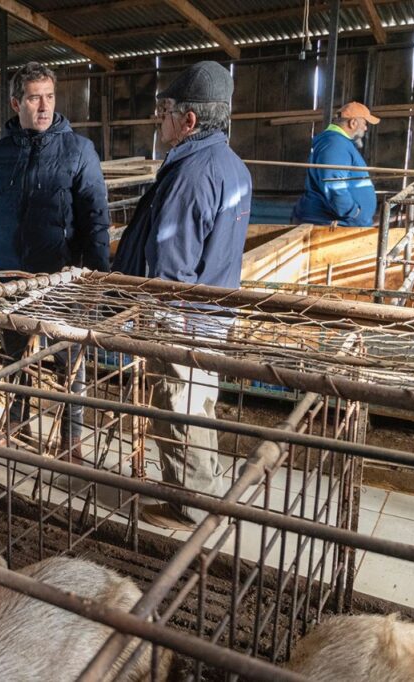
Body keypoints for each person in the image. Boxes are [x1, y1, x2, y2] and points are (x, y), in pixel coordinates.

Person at [111, 60, 252, 530]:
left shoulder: (191, 174)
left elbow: (171, 264)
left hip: (181, 316)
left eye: (166, 111)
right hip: (214, 309)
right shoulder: (233, 166)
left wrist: (152, 315)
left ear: (188, 120)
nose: (160, 119)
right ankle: (205, 492)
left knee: (177, 405)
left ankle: (188, 507)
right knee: (199, 404)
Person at [0, 61, 110, 461]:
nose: (44, 106)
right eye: (34, 98)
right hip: (10, 279)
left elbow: (95, 217)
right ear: (17, 103)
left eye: (49, 96)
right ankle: (17, 423)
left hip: (61, 279)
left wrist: (97, 279)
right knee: (13, 357)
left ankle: (71, 439)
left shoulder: (78, 150)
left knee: (70, 359)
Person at [292, 102, 379, 227]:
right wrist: (353, 213)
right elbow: (334, 184)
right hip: (331, 224)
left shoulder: (338, 142)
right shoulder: (335, 144)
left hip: (338, 223)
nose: (365, 128)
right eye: (365, 123)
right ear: (353, 123)